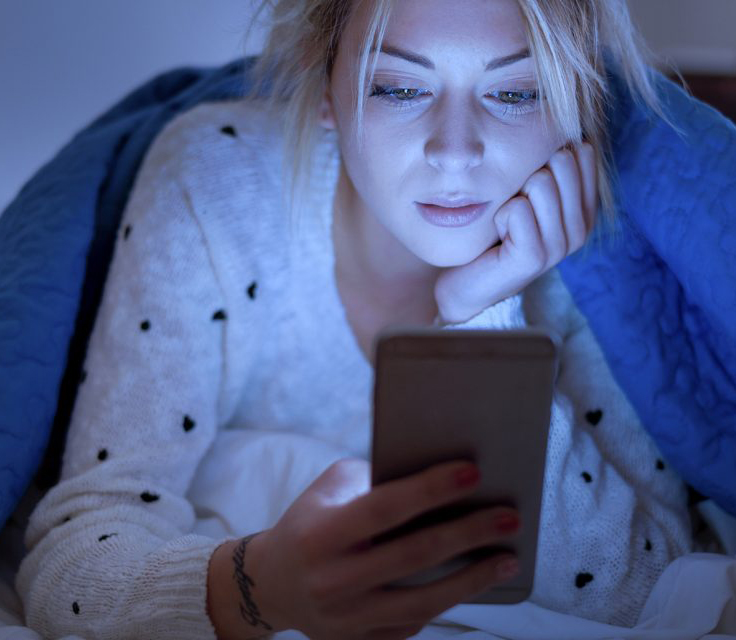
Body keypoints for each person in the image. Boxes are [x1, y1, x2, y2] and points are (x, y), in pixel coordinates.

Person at [15, 0, 694, 638]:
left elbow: (653, 588)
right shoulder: (218, 187)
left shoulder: (591, 250)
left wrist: (483, 316)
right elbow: (71, 556)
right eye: (398, 88)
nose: (454, 152)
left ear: (576, 109)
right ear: (323, 93)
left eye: (515, 93)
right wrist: (257, 588)